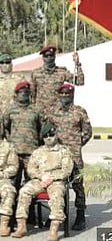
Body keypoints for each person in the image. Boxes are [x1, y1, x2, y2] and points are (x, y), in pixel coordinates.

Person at [43, 83, 91, 231]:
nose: (64, 96)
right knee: (56, 184)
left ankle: (80, 215)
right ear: (59, 95)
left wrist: (77, 144)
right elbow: (47, 130)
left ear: (72, 95)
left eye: (67, 94)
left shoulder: (79, 112)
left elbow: (87, 132)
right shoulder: (52, 112)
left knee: (77, 185)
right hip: (57, 154)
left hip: (74, 155)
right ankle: (56, 213)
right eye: (62, 94)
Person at [11, 124, 73, 241]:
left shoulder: (64, 151)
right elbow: (31, 169)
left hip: (56, 181)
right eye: (46, 136)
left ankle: (54, 230)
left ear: (56, 135)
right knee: (24, 191)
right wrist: (41, 177)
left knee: (57, 195)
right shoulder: (38, 152)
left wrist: (51, 178)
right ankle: (21, 226)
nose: (49, 138)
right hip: (40, 180)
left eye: (51, 135)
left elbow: (67, 170)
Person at [3, 81, 41, 187]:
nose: (23, 94)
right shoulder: (10, 109)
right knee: (13, 180)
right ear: (16, 94)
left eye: (26, 92)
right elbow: (4, 127)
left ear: (29, 94)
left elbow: (42, 128)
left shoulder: (36, 110)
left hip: (32, 151)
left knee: (31, 181)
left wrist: (38, 141)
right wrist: (10, 140)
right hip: (15, 151)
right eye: (21, 92)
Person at [30, 46, 84, 112]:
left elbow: (80, 81)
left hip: (57, 112)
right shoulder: (36, 73)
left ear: (55, 57)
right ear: (43, 58)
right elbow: (32, 94)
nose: (49, 58)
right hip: (41, 111)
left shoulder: (62, 72)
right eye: (46, 56)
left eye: (51, 55)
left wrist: (77, 64)